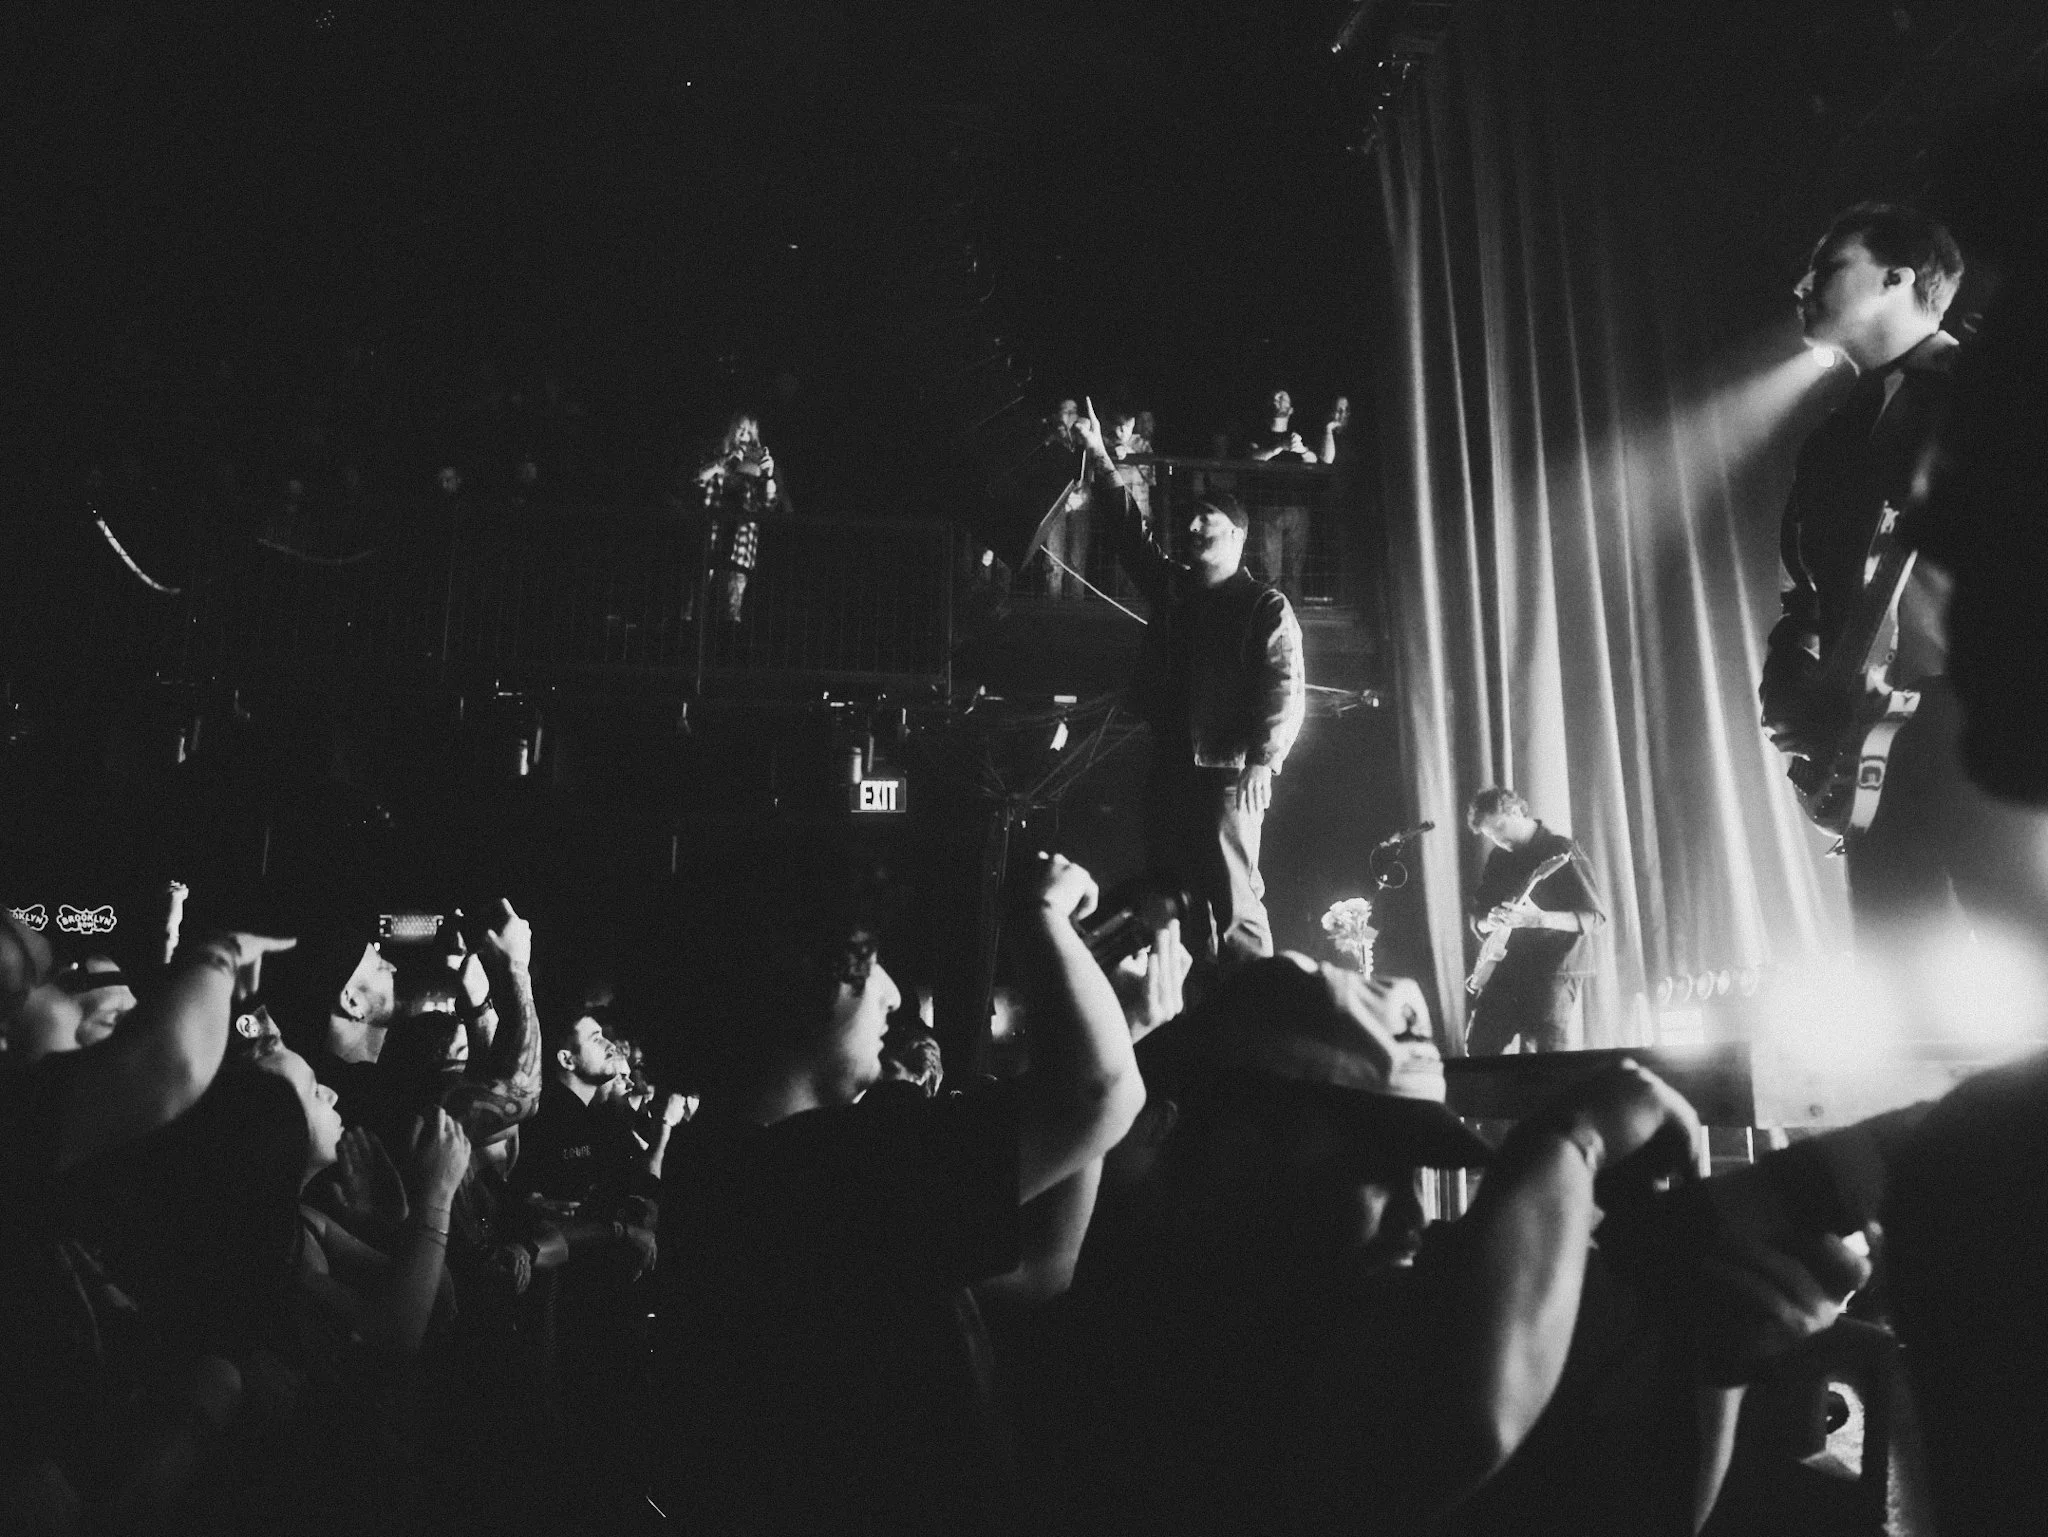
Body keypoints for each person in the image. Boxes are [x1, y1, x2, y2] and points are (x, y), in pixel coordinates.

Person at [1053, 955, 1872, 1536]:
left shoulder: (1291, 1314)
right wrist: (1570, 1142)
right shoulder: (1152, 1319)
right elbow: (1459, 1423)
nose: (1416, 1214)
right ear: (1234, 1145)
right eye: (1372, 1166)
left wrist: (1711, 1352)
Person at [652, 846, 1143, 1536]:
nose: (889, 991)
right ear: (809, 983)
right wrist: (1036, 913)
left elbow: (1038, 1264)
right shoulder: (820, 1172)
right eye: (868, 963)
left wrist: (1111, 1025)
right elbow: (1100, 1091)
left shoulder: (733, 1166)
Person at [1760, 201, 2048, 953]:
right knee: (1896, 990)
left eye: (1827, 266)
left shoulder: (1994, 387)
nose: (1801, 283)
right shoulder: (1831, 437)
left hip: (1984, 737)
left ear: (1897, 277)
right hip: (1871, 758)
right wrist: (1790, 678)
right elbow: (1812, 590)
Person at [1081, 404, 1306, 966]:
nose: (1191, 526)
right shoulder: (1178, 591)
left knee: (1233, 899)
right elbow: (1132, 537)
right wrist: (1101, 457)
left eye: (1205, 519)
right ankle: (1198, 1008)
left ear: (1235, 534)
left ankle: (1258, 1004)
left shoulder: (1263, 605)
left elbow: (1285, 684)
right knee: (1176, 900)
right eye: (1191, 518)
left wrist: (1264, 759)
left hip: (1227, 774)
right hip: (1172, 766)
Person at [1462, 787, 1606, 1056]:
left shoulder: (1561, 849)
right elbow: (1479, 915)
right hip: (1508, 966)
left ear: (1515, 811)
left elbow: (1594, 917)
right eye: (1490, 835)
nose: (1497, 838)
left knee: (1544, 1056)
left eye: (1499, 828)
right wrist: (1488, 922)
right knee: (1478, 1047)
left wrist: (1540, 919)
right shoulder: (1498, 857)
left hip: (1554, 969)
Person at [693, 410, 788, 622]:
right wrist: (722, 463)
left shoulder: (757, 463)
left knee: (730, 612)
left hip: (740, 547)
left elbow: (770, 503)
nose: (743, 435)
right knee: (695, 607)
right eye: (739, 430)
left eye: (748, 432)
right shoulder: (714, 454)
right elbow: (695, 482)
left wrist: (769, 475)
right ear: (731, 431)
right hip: (708, 540)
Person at [1247, 387, 1319, 601]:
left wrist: (1302, 450)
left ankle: (1296, 622)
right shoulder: (1258, 434)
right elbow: (1253, 458)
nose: (1278, 399)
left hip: (1297, 509)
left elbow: (1315, 460)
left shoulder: (1299, 437)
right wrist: (1279, 447)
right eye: (1275, 397)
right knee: (1271, 574)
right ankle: (1272, 619)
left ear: (1291, 409)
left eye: (1283, 397)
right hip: (1268, 509)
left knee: (1294, 574)